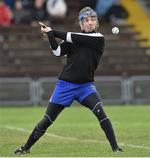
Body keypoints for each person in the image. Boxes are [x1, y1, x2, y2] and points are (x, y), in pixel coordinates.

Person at [14, 7, 123, 155]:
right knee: (47, 120)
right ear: (81, 24)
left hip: (85, 87)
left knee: (101, 114)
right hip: (65, 85)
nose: (90, 23)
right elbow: (57, 52)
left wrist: (53, 32)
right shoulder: (74, 38)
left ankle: (116, 149)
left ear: (96, 23)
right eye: (86, 20)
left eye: (92, 19)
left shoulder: (98, 38)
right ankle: (25, 147)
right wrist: (50, 36)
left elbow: (72, 37)